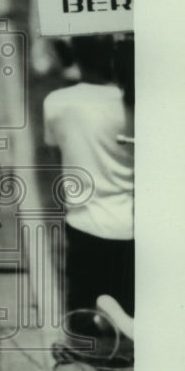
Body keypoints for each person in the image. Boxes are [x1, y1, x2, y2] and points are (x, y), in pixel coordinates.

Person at [43, 34, 134, 332]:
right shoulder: (132, 101)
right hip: (132, 229)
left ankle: (101, 317)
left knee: (82, 327)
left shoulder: (57, 102)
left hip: (85, 225)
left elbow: (59, 161)